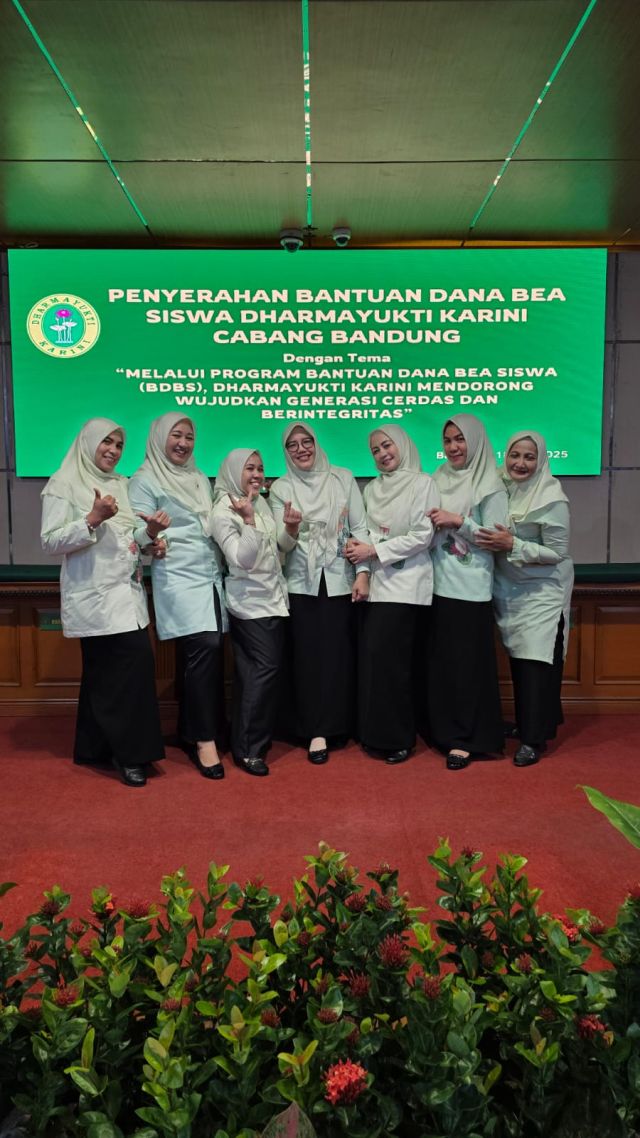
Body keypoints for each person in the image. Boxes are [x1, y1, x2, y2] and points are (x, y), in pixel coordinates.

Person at [40, 418, 168, 787]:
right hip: (94, 596)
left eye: (118, 445)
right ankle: (130, 755)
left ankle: (92, 748)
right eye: (106, 442)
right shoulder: (63, 483)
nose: (113, 451)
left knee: (105, 674)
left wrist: (151, 536)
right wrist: (92, 519)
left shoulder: (121, 484)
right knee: (127, 669)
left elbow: (128, 538)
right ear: (88, 443)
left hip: (127, 595)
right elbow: (50, 541)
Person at [129, 413, 227, 780]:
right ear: (159, 437)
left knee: (204, 651)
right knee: (204, 646)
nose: (183, 443)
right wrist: (152, 538)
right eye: (176, 435)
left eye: (189, 436)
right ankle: (204, 739)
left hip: (211, 574)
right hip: (178, 574)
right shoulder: (143, 479)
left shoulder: (199, 477)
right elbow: (137, 533)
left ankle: (196, 728)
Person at [269, 422, 369, 764]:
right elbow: (281, 546)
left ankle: (343, 724)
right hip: (301, 583)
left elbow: (359, 528)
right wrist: (291, 527)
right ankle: (316, 730)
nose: (301, 449)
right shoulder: (281, 487)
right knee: (308, 659)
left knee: (339, 657)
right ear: (286, 451)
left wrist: (364, 574)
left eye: (306, 441)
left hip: (341, 581)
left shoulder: (343, 478)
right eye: (292, 445)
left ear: (316, 443)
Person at [476, 430, 574, 767]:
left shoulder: (552, 498)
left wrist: (513, 544)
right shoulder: (499, 485)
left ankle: (534, 740)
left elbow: (558, 553)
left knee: (536, 660)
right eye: (515, 455)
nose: (520, 463)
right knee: (520, 658)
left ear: (541, 460)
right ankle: (530, 724)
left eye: (529, 457)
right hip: (509, 588)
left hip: (543, 591)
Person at [345, 425, 439, 764]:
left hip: (406, 586)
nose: (382, 454)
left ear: (402, 445)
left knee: (395, 667)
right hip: (376, 586)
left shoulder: (423, 483)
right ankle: (374, 733)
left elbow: (422, 536)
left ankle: (399, 739)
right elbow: (366, 532)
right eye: (375, 450)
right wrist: (363, 561)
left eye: (387, 446)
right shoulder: (371, 489)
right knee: (375, 663)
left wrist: (373, 550)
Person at [427, 413, 509, 770]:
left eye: (460, 439)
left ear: (475, 440)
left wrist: (459, 521)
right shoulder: (437, 477)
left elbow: (496, 539)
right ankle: (444, 730)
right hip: (434, 584)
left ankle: (468, 738)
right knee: (443, 665)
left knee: (467, 668)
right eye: (448, 440)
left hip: (471, 587)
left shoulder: (491, 485)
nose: (453, 447)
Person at [211, 448, 291, 777]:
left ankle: (249, 740)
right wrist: (246, 520)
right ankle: (248, 749)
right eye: (249, 468)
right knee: (262, 671)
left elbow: (277, 547)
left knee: (257, 673)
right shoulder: (223, 510)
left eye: (260, 468)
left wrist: (291, 529)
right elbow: (241, 559)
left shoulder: (258, 502)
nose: (257, 474)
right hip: (250, 604)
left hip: (273, 599)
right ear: (233, 472)